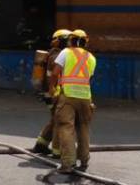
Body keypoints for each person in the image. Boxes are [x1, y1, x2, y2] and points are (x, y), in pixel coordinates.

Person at [49, 29, 97, 177]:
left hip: (68, 96)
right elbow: (89, 79)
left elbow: (55, 72)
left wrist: (52, 89)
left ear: (71, 40)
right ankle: (84, 160)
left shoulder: (66, 52)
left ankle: (68, 164)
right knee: (83, 128)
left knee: (66, 128)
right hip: (85, 98)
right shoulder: (91, 58)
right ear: (85, 42)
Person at [32, 29, 72, 157]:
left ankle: (41, 144)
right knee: (59, 121)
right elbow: (53, 77)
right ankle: (57, 151)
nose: (71, 43)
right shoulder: (56, 56)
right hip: (53, 93)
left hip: (50, 93)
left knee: (55, 119)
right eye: (69, 40)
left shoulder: (54, 54)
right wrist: (54, 92)